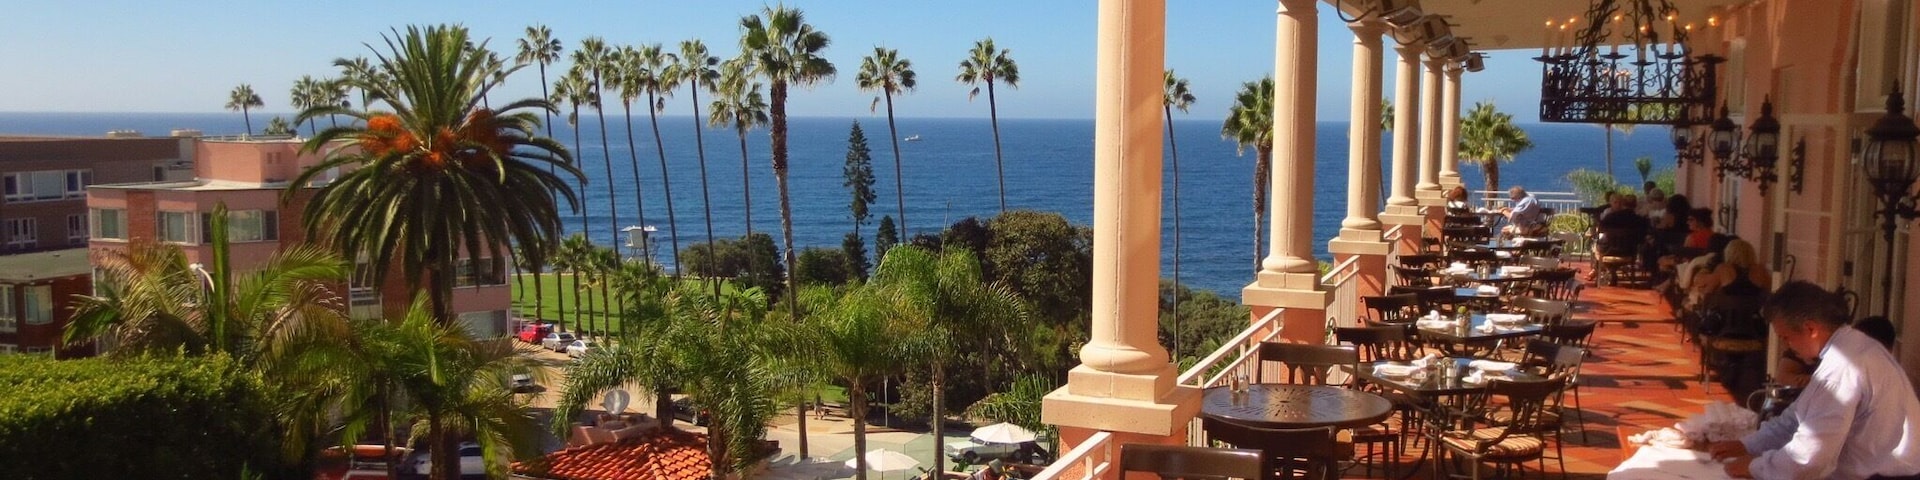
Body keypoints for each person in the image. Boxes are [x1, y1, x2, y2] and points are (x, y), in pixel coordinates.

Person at [1708, 281, 1920, 479]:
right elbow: (1798, 416)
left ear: (1811, 329)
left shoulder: (1842, 367)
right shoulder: (1851, 347)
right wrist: (1748, 445)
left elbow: (1809, 456)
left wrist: (1755, 467)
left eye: (1786, 338)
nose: (1786, 346)